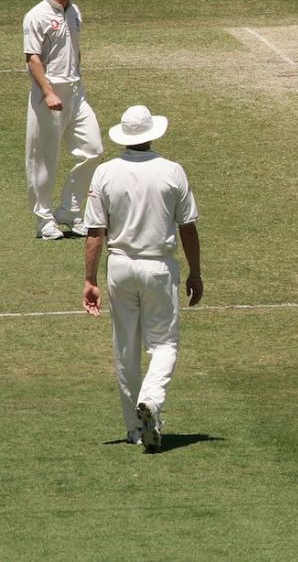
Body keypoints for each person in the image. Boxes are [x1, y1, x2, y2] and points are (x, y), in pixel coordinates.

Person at [82, 105, 202, 453]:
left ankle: (135, 429)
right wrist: (196, 272)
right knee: (164, 345)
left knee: (125, 349)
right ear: (151, 135)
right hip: (158, 267)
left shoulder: (105, 173)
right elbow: (188, 227)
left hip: (119, 266)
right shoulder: (172, 171)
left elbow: (94, 232)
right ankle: (150, 400)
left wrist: (90, 280)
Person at [23, 0, 104, 239]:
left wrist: (77, 79)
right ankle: (44, 221)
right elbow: (32, 58)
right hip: (49, 94)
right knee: (43, 160)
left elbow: (74, 50)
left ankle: (69, 210)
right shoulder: (37, 16)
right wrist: (48, 92)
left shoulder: (74, 11)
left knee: (94, 149)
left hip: (76, 92)